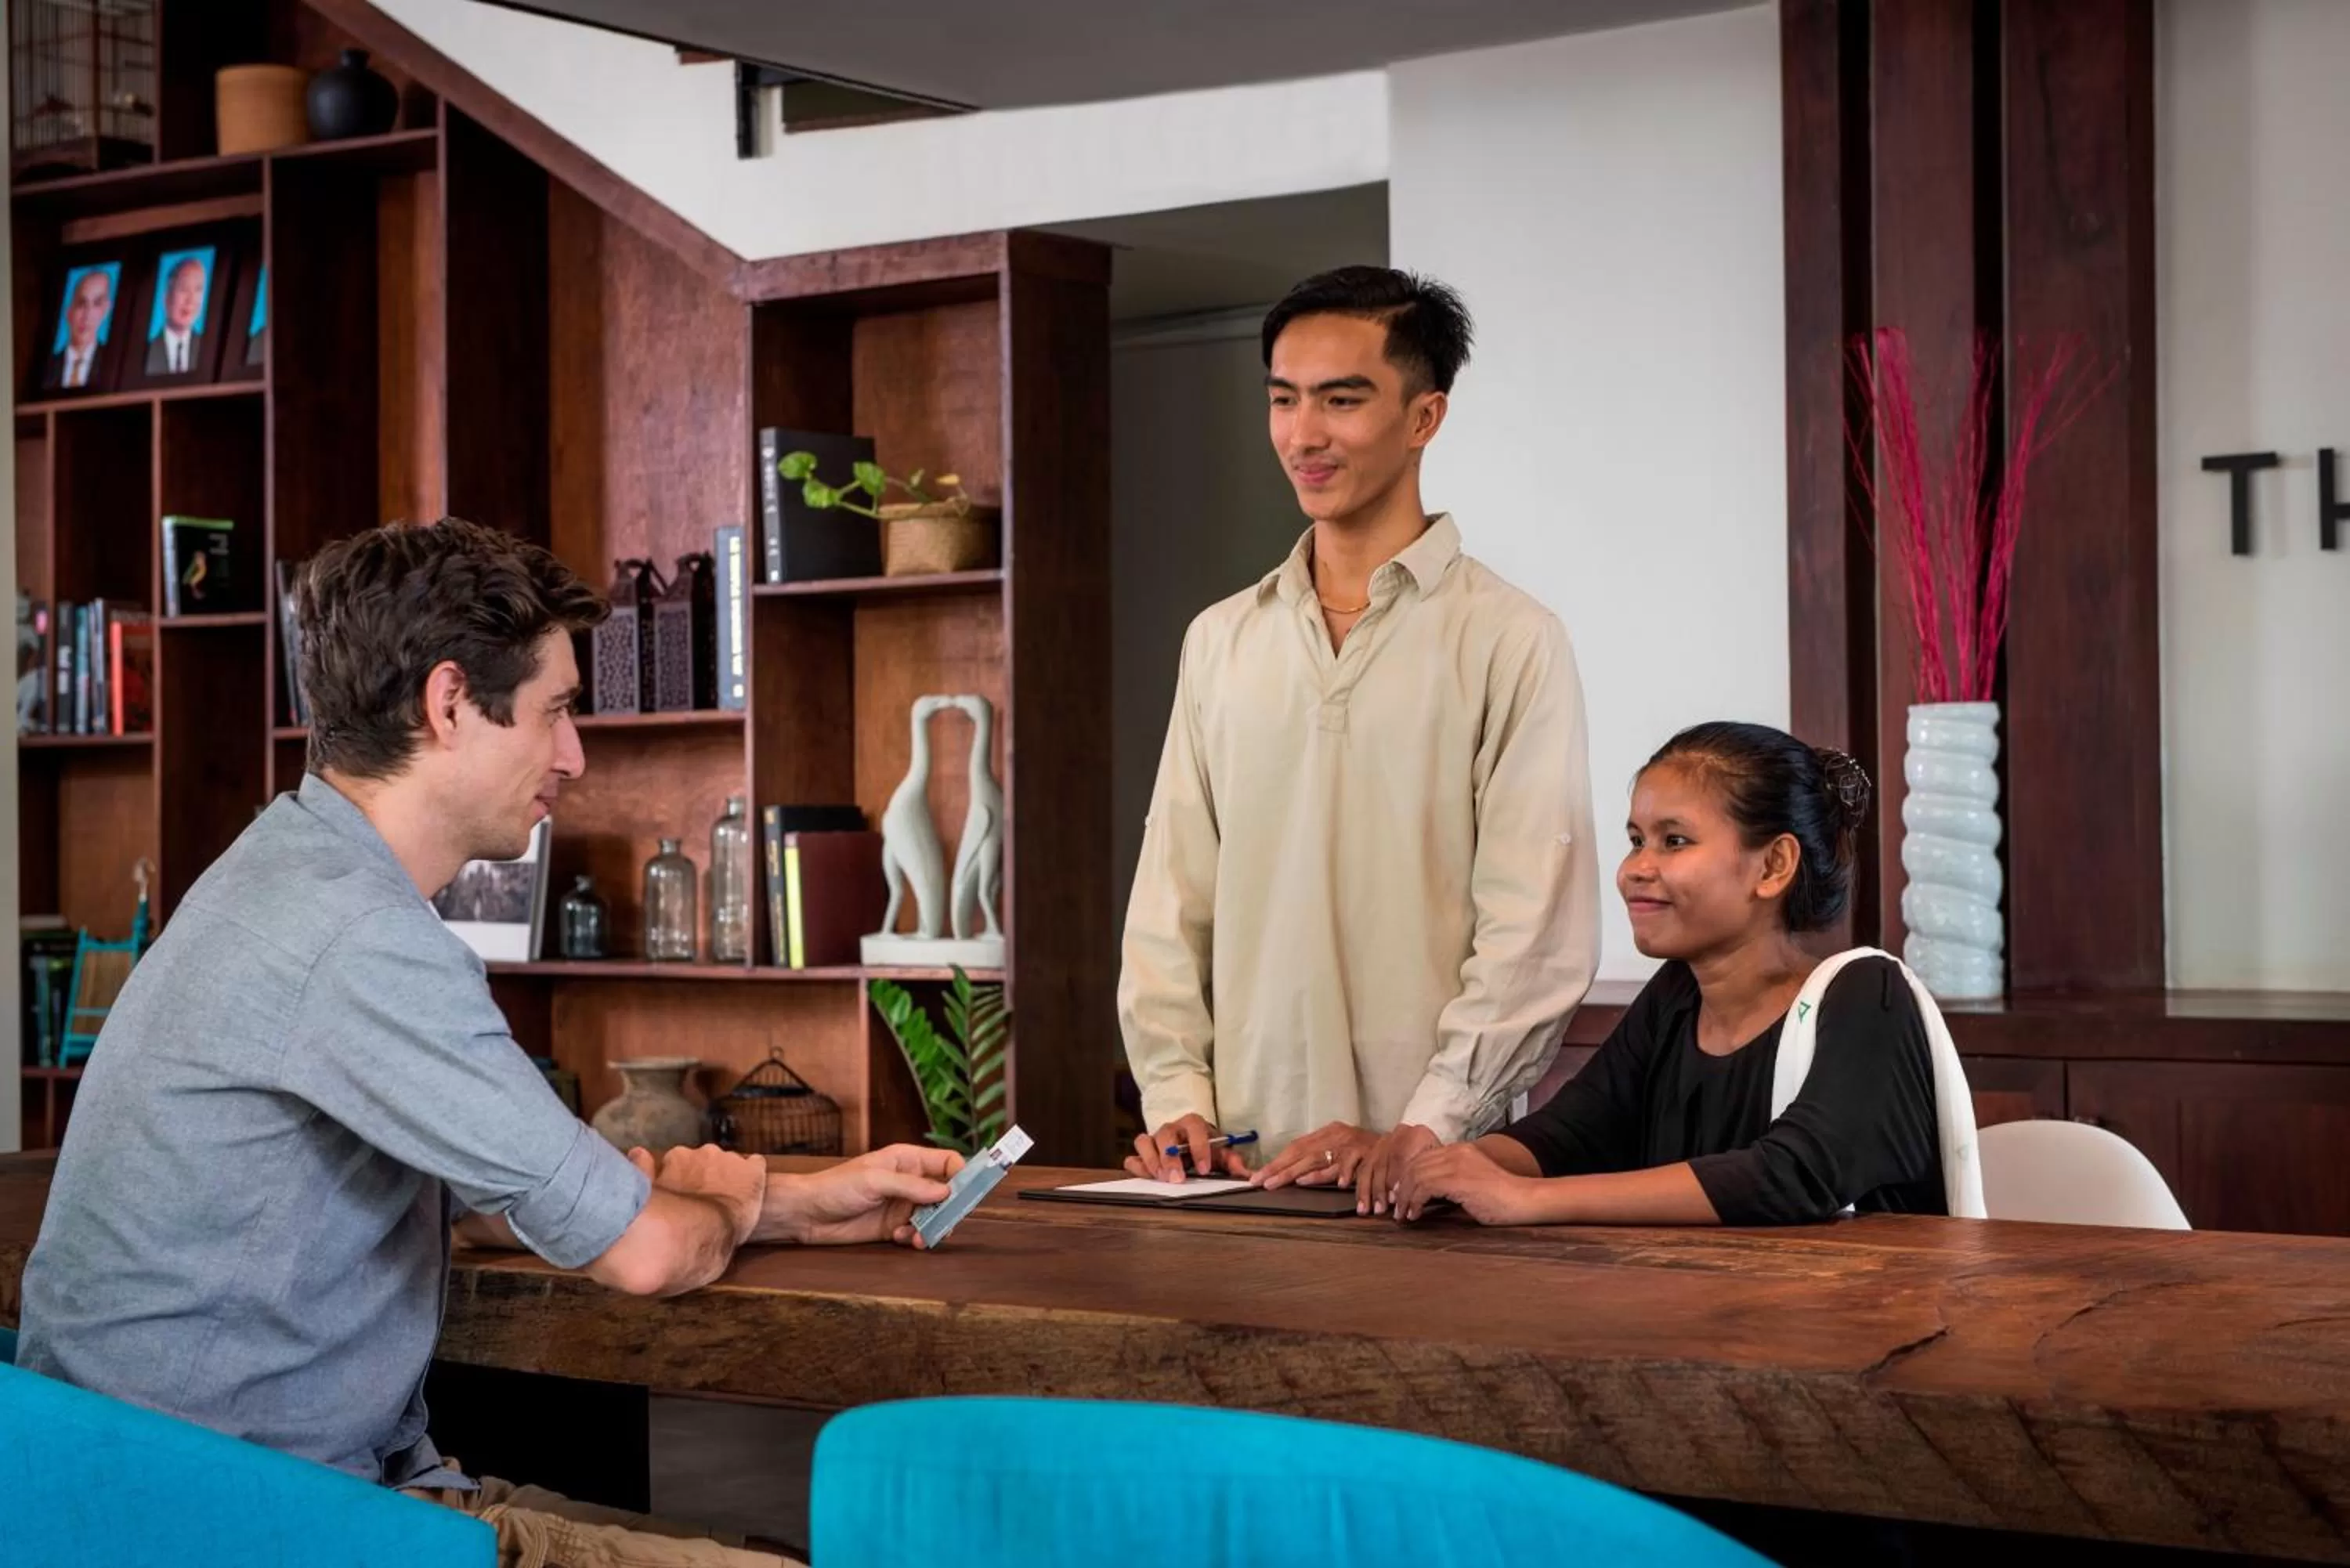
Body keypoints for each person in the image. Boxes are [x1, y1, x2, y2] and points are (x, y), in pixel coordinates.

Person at [16, 518, 957, 1566]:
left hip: (150, 1500)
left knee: (759, 1541)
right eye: (556, 711)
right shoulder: (363, 940)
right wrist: (727, 1205)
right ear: (451, 702)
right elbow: (648, 1250)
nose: (576, 755)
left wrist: (803, 1201)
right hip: (260, 1524)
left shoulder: (279, 873)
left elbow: (510, 1198)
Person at [1119, 266, 1600, 1212]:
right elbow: (1171, 899)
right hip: (1235, 1174)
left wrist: (1423, 1130)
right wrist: (1177, 1097)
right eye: (1284, 400)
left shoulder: (1509, 639)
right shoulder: (1221, 641)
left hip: (1434, 1181)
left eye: (1343, 401)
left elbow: (1533, 931)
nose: (1305, 434)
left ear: (1425, 419)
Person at [1394, 722, 1984, 1227]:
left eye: (1673, 841)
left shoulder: (1867, 996)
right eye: (1636, 841)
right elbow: (1568, 1137)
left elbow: (1792, 1175)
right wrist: (1427, 1166)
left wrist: (1526, 1199)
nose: (1633, 871)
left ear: (1774, 865)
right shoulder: (1677, 995)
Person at [44, 266, 114, 390]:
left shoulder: (111, 365)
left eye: (97, 304)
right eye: (81, 304)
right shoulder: (47, 368)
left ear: (106, 311)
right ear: (69, 311)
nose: (87, 315)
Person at [145, 252, 208, 375]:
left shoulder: (208, 350)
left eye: (198, 290)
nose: (190, 300)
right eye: (184, 289)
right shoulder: (145, 352)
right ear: (167, 298)